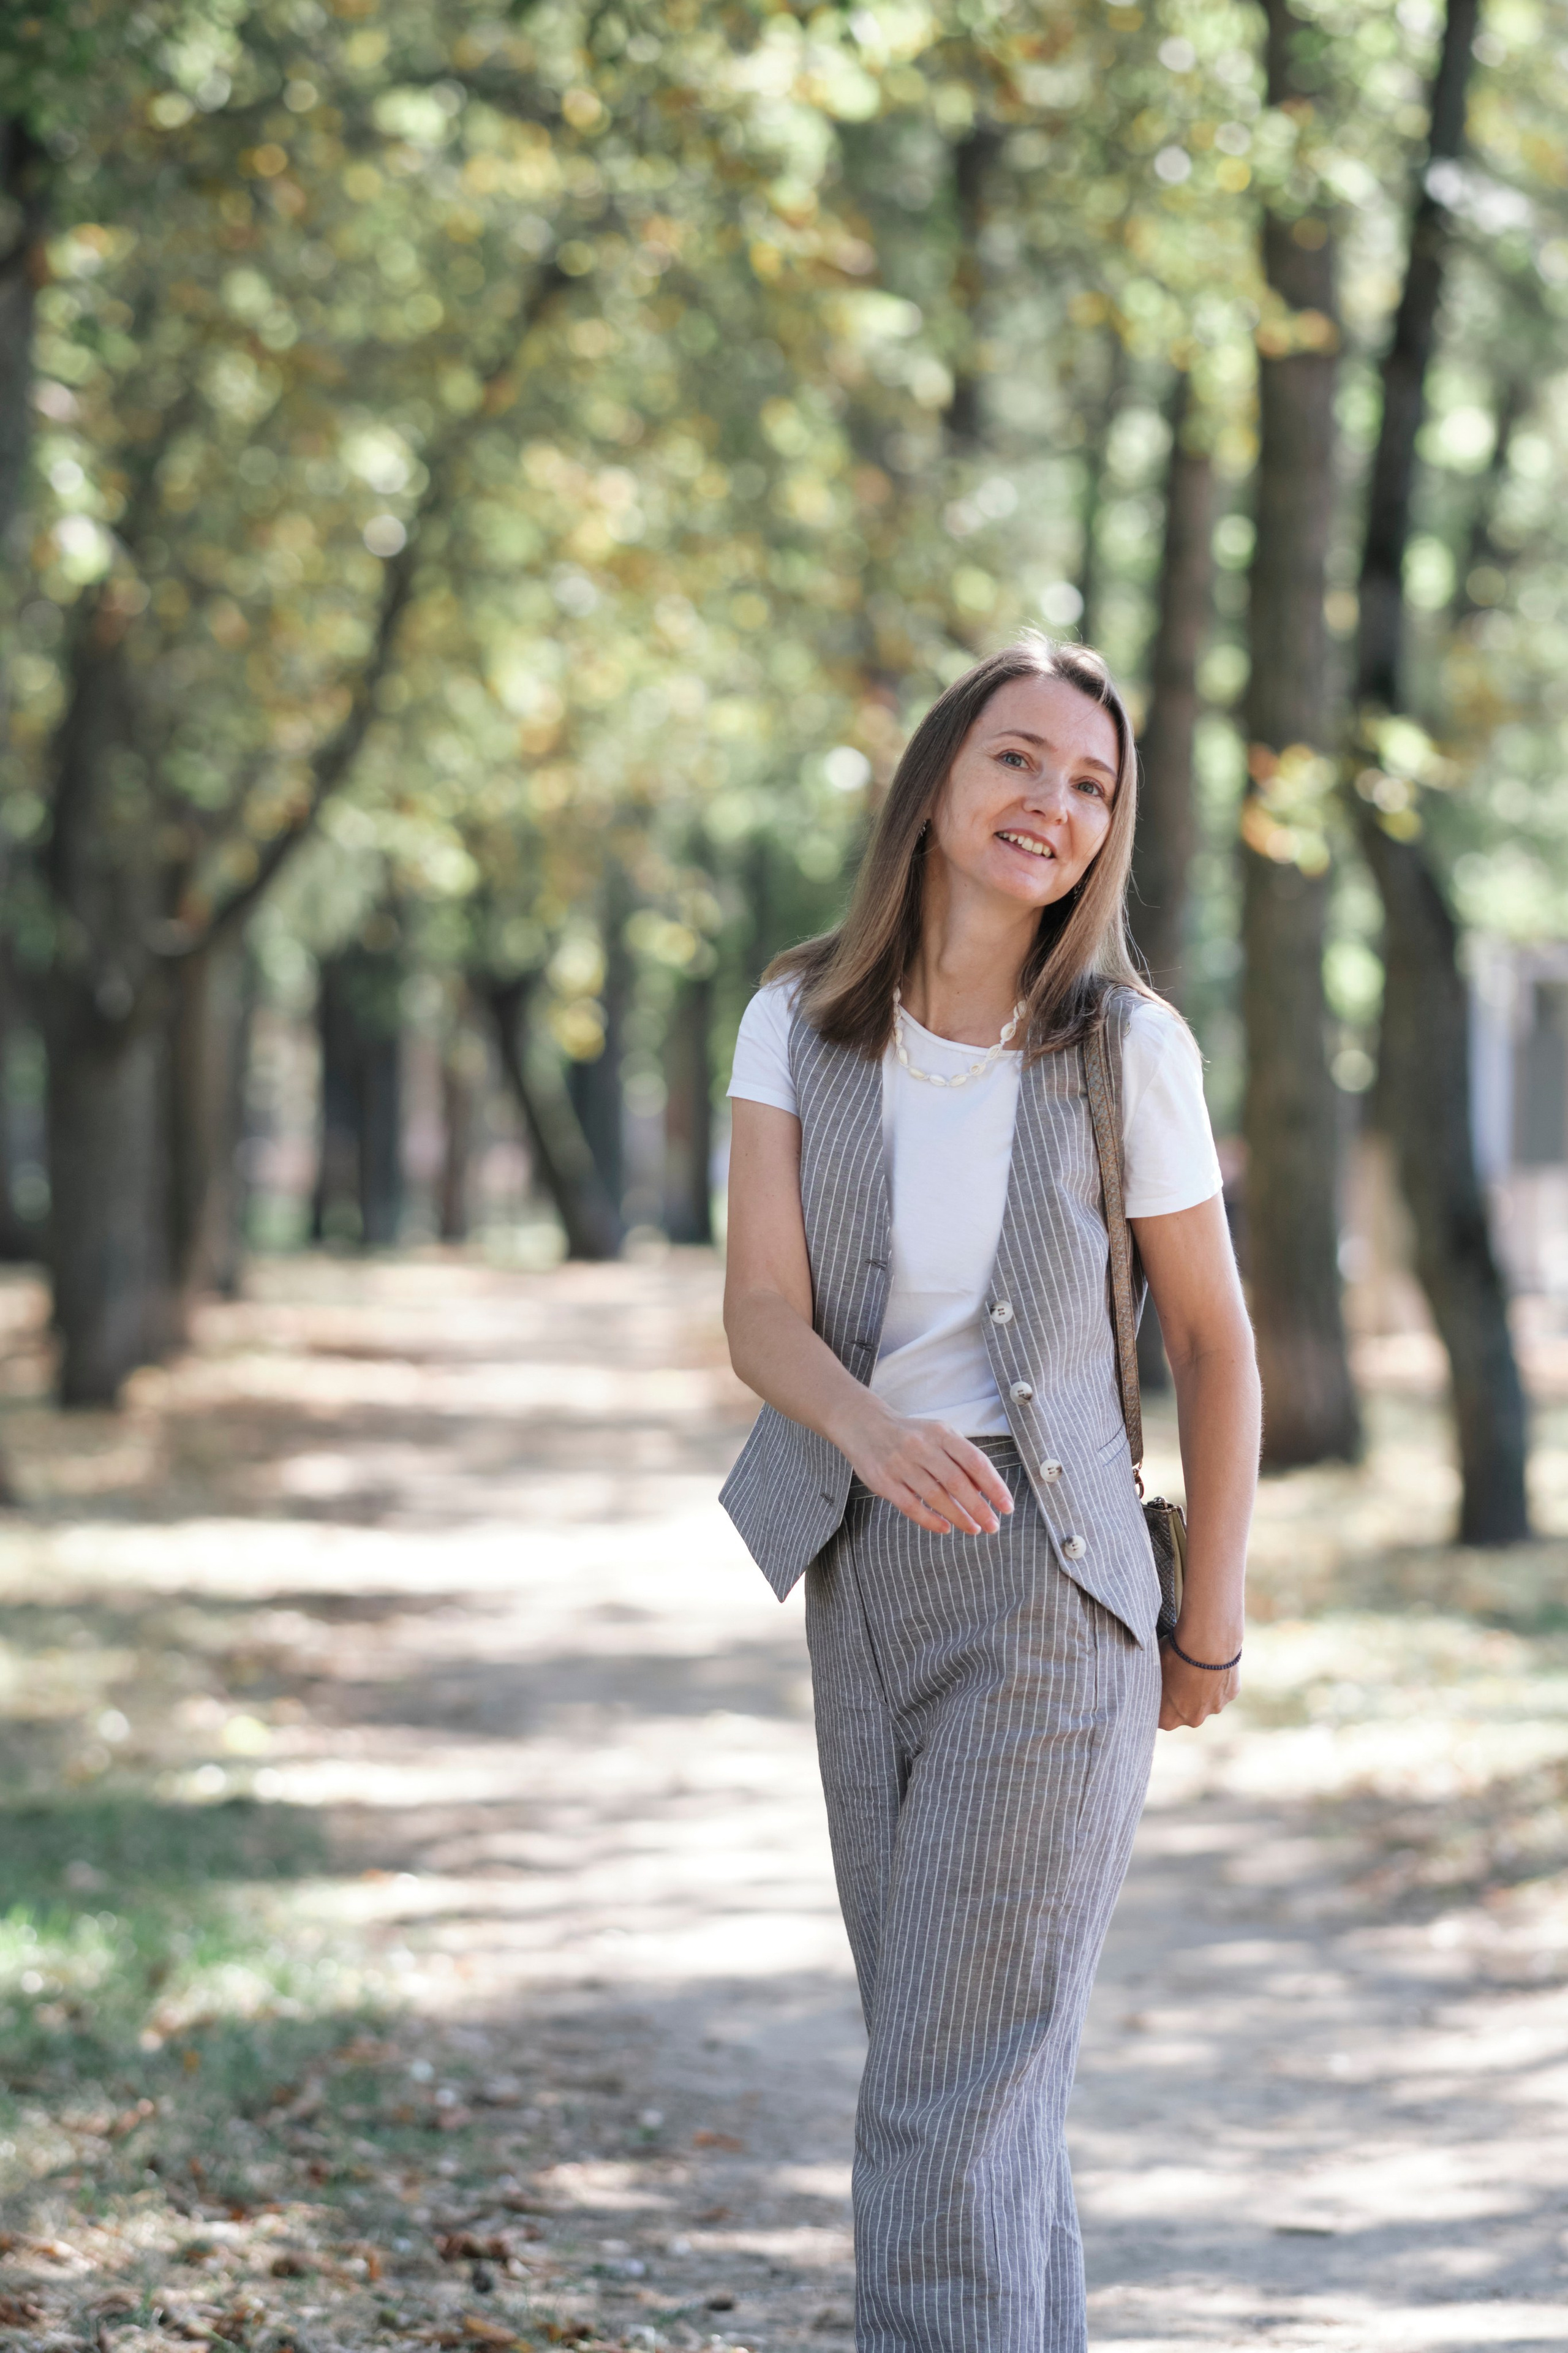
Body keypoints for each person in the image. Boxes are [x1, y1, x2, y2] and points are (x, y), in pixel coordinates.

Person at [719, 636, 1261, 2352]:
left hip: (1053, 1595)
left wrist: (1211, 1627)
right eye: (1022, 762)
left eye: (1092, 785)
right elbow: (757, 1313)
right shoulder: (798, 1020)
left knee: (942, 2101)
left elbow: (1214, 1346)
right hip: (857, 1574)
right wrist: (867, 1428)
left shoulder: (1124, 1046)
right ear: (940, 781)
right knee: (967, 2085)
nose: (1055, 805)